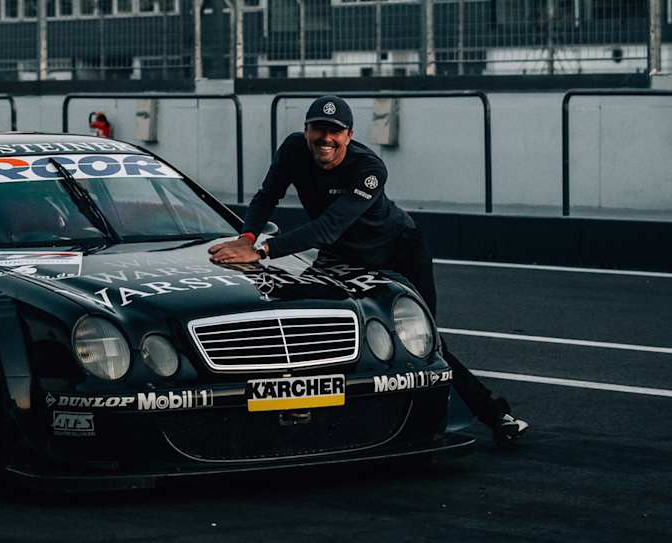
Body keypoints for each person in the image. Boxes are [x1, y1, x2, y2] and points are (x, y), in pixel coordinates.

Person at [209, 95, 529, 446]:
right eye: (318, 129)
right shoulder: (293, 150)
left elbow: (328, 227)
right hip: (342, 253)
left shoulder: (370, 169)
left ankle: (495, 415)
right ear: (305, 131)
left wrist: (263, 250)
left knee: (424, 343)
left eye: (335, 132)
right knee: (314, 325)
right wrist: (247, 237)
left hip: (398, 249)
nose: (325, 139)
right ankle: (311, 417)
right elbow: (266, 195)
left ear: (349, 135)